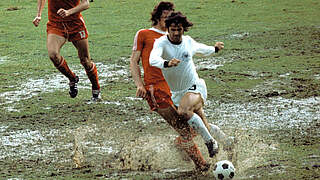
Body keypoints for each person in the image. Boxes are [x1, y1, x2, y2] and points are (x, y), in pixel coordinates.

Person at [130, 2, 212, 172]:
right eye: (165, 18)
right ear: (157, 17)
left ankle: (183, 146)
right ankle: (201, 164)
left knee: (197, 122)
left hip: (176, 88)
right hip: (155, 90)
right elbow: (133, 61)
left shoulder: (175, 36)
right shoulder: (144, 34)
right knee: (183, 128)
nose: (169, 22)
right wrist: (139, 84)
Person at [150, 11, 234, 160]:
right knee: (202, 125)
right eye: (173, 30)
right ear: (167, 29)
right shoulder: (161, 43)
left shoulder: (188, 41)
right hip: (177, 94)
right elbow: (153, 59)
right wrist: (166, 63)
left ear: (184, 29)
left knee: (184, 110)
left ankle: (210, 142)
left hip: (195, 87)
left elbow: (201, 48)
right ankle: (227, 142)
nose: (176, 33)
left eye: (179, 30)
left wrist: (214, 49)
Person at [32, 0, 100, 100]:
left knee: (85, 60)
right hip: (56, 24)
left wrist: (69, 12)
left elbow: (86, 4)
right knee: (53, 54)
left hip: (75, 24)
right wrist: (38, 15)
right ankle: (72, 78)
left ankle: (96, 87)